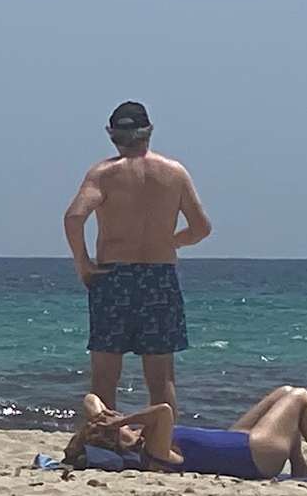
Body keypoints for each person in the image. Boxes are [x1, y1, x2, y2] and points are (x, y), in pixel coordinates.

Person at [62, 101, 211, 414]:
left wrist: (83, 264)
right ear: (149, 131)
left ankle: (107, 437)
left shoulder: (104, 174)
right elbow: (201, 228)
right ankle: (162, 438)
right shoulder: (174, 173)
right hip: (159, 275)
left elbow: (74, 217)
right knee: (161, 377)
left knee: (105, 375)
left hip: (113, 276)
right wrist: (171, 241)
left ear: (112, 134)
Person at [67, 387, 307, 479]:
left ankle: (300, 468)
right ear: (117, 438)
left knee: (284, 393)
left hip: (238, 442)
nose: (121, 422)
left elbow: (91, 399)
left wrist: (102, 419)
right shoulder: (152, 451)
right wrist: (122, 420)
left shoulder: (144, 437)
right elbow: (164, 411)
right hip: (254, 455)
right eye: (119, 427)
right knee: (299, 397)